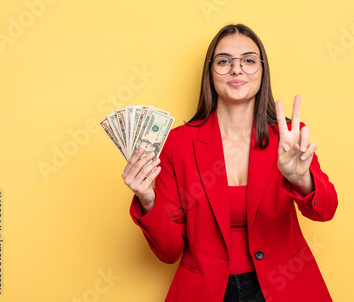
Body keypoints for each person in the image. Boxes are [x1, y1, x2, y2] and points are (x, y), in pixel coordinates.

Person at [121, 23, 338, 302]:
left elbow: (326, 211)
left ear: (262, 71)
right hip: (207, 292)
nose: (237, 70)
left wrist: (301, 179)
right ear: (210, 73)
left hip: (284, 288)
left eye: (248, 61)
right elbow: (169, 252)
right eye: (224, 62)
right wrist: (148, 199)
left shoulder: (287, 139)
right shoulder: (178, 144)